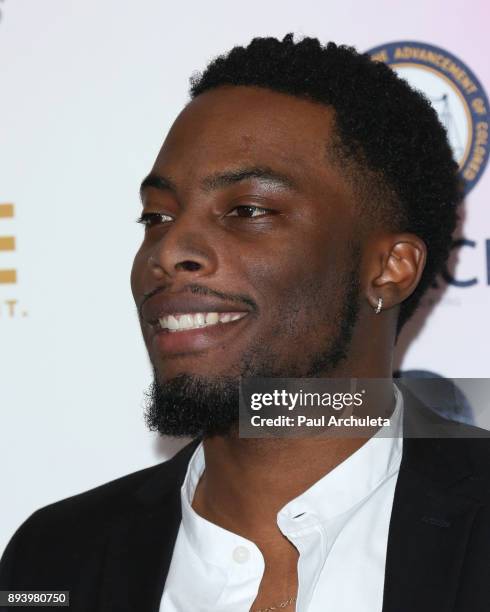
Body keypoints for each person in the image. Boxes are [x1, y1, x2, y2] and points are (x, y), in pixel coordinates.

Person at [1, 33, 489, 612]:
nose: (168, 249)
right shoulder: (55, 558)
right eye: (157, 215)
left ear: (389, 268)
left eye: (247, 210)